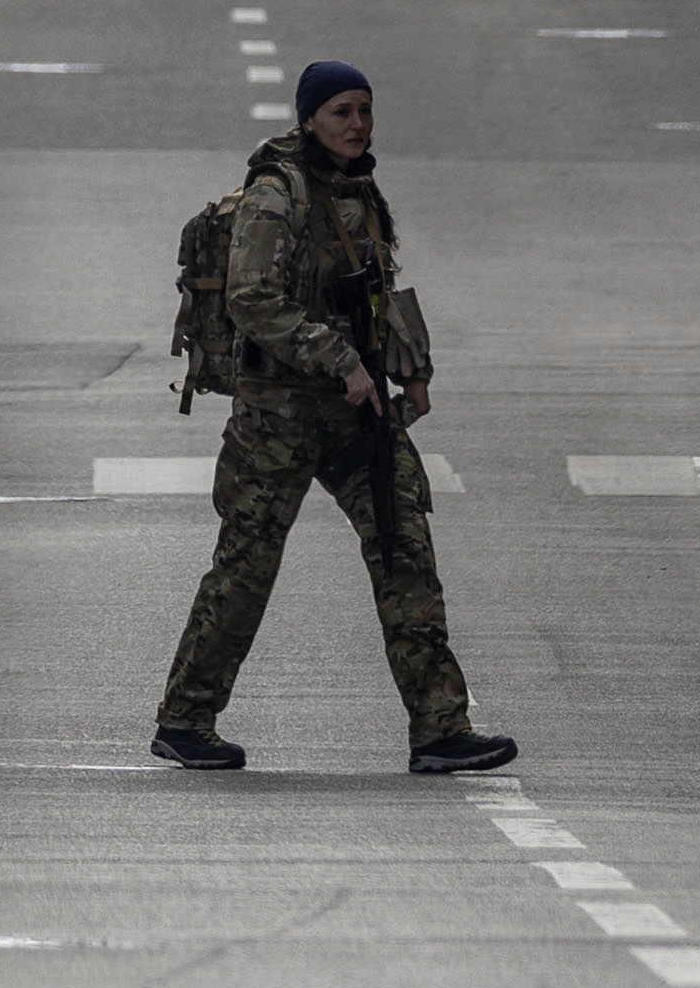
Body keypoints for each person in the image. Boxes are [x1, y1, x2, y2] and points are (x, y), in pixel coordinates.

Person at [152, 58, 517, 775]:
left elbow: (375, 290)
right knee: (246, 567)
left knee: (405, 549)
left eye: (365, 110)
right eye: (342, 111)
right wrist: (338, 357)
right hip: (279, 417)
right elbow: (250, 301)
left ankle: (441, 726)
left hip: (355, 414)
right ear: (309, 117)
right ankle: (186, 716)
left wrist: (408, 366)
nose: (357, 124)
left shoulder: (359, 192)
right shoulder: (274, 194)